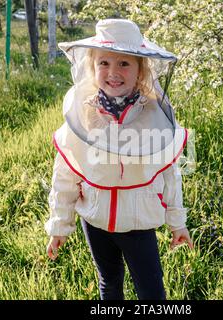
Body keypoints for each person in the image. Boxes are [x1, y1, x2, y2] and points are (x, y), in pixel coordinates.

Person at [44, 19, 193, 300]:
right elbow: (66, 172)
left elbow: (170, 173)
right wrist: (60, 226)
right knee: (109, 283)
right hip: (96, 220)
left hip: (138, 223)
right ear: (92, 67)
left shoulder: (154, 116)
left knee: (151, 290)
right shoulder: (83, 113)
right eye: (104, 63)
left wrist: (177, 222)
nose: (113, 72)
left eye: (124, 63)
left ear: (140, 70)